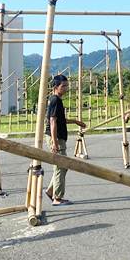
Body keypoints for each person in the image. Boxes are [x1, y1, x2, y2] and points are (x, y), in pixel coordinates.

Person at [44, 74, 85, 206]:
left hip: (57, 137)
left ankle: (51, 191)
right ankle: (57, 198)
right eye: (63, 86)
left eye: (67, 85)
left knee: (62, 166)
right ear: (56, 87)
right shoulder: (55, 100)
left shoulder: (56, 100)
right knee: (61, 166)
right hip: (55, 137)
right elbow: (52, 121)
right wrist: (55, 142)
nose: (66, 88)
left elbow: (60, 119)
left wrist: (75, 121)